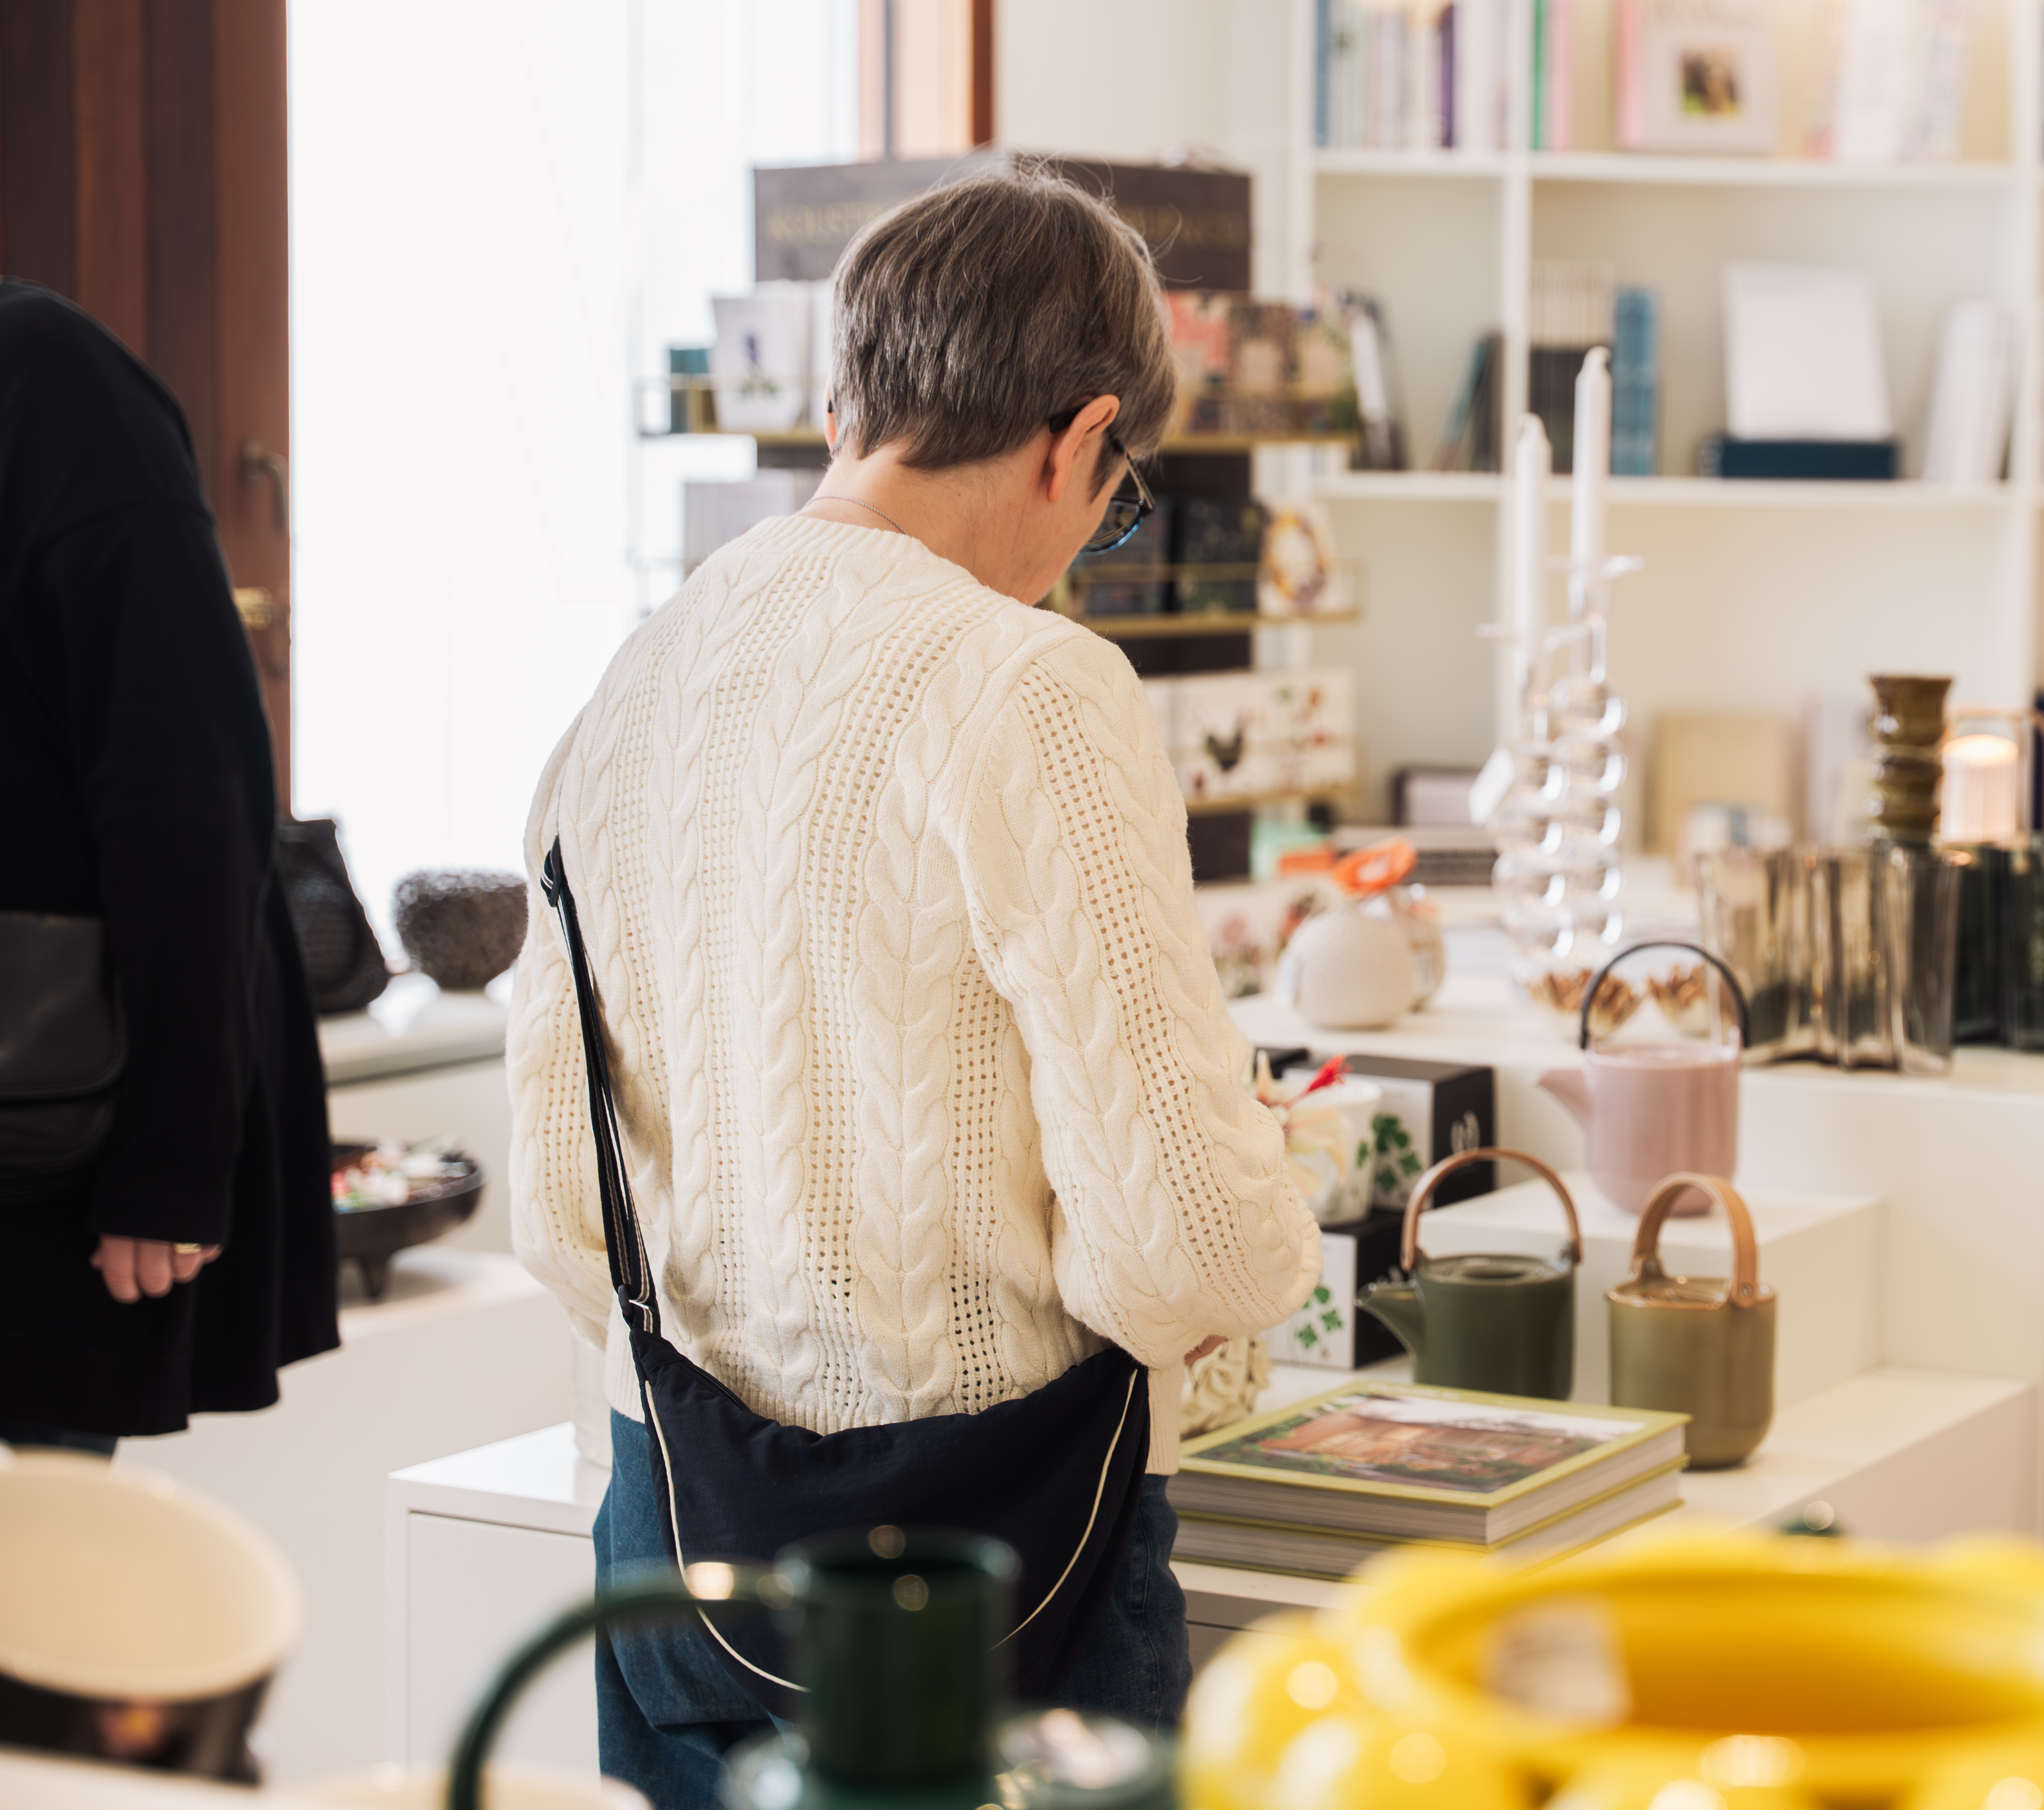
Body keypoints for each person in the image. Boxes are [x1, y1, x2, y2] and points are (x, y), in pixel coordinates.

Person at [506, 160, 1317, 1803]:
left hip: (678, 1547)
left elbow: (557, 1210)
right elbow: (1181, 1251)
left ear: (841, 402)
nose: (1098, 538)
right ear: (1081, 440)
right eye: (1121, 495)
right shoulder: (1031, 689)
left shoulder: (624, 691)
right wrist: (1272, 1173)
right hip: (996, 1571)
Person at [0, 283, 340, 1456]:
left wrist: (173, 1163)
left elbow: (190, 790)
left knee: (43, 1606)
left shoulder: (49, 386)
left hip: (46, 1147)